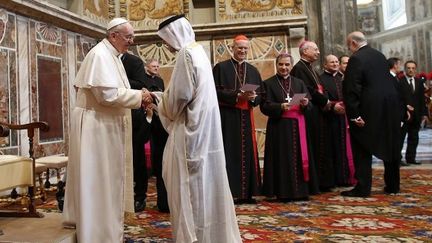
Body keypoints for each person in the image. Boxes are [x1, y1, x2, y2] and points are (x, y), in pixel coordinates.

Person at [63, 18, 153, 242]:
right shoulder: (100, 55)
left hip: (104, 124)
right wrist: (138, 96)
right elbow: (107, 95)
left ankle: (106, 227)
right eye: (128, 37)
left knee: (105, 178)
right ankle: (97, 231)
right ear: (113, 36)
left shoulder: (110, 55)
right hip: (97, 126)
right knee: (98, 179)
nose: (131, 42)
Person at [157, 15, 242, 242]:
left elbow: (179, 97)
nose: (166, 45)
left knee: (190, 187)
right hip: (204, 130)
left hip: (191, 132)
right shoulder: (199, 51)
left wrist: (159, 102)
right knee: (208, 182)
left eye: (166, 39)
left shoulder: (186, 54)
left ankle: (195, 236)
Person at [342, 31, 401, 197]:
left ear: (353, 43)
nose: (349, 48)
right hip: (389, 107)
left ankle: (363, 187)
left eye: (348, 45)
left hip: (368, 110)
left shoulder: (356, 58)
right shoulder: (380, 55)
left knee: (361, 147)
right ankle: (393, 185)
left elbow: (352, 88)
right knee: (390, 144)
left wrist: (354, 114)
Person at [212, 34, 262, 204]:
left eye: (245, 48)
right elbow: (214, 92)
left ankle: (247, 193)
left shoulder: (253, 70)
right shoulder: (221, 68)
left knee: (247, 153)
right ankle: (229, 194)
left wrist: (253, 98)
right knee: (229, 153)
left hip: (246, 118)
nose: (242, 51)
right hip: (228, 118)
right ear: (232, 48)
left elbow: (261, 95)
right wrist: (237, 95)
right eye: (239, 47)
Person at [260, 52, 314, 201]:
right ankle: (283, 192)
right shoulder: (268, 83)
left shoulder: (299, 82)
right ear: (276, 65)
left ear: (291, 65)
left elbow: (310, 105)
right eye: (281, 64)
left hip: (298, 127)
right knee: (282, 159)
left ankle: (301, 191)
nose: (284, 67)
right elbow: (264, 107)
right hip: (279, 128)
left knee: (298, 157)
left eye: (287, 64)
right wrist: (279, 107)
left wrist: (306, 104)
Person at [290, 40, 329, 193]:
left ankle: (321, 181)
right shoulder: (299, 69)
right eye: (315, 49)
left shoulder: (310, 68)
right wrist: (325, 101)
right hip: (309, 113)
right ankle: (314, 182)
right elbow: (309, 91)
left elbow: (319, 89)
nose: (318, 52)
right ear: (305, 51)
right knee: (313, 146)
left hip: (317, 111)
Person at [121, 52, 156, 212]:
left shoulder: (133, 61)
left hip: (133, 116)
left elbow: (141, 85)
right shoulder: (105, 59)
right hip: (113, 116)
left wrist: (118, 82)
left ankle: (139, 196)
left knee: (137, 158)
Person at [320, 54, 356, 187]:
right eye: (332, 62)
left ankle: (346, 177)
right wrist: (332, 107)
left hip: (344, 117)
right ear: (325, 65)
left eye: (336, 62)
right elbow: (322, 98)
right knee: (333, 148)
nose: (335, 64)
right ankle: (334, 179)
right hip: (330, 119)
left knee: (345, 148)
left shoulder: (342, 78)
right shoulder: (321, 79)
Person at [142, 58, 169, 212]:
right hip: (147, 117)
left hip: (160, 120)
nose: (156, 68)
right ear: (147, 67)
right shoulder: (142, 80)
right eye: (153, 66)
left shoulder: (160, 80)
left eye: (158, 66)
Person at [399, 60, 428, 165]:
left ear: (415, 69)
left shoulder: (419, 82)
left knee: (414, 138)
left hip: (416, 116)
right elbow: (397, 98)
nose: (411, 70)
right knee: (400, 139)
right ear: (405, 69)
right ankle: (398, 159)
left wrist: (424, 114)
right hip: (403, 115)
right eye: (409, 68)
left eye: (413, 68)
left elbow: (422, 100)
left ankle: (411, 158)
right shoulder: (399, 82)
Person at [388, 57, 410, 167]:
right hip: (394, 116)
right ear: (395, 65)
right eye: (399, 64)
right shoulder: (389, 78)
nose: (400, 66)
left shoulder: (395, 78)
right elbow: (394, 99)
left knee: (399, 140)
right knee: (395, 140)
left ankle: (397, 158)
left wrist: (405, 110)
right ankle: (394, 159)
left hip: (399, 114)